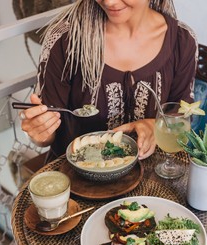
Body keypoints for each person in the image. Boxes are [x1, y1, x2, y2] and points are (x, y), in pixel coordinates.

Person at [19, 0, 198, 163]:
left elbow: (178, 120)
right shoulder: (65, 40)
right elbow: (48, 135)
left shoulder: (182, 42)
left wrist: (153, 126)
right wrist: (39, 132)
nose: (109, 2)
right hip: (77, 181)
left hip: (152, 177)